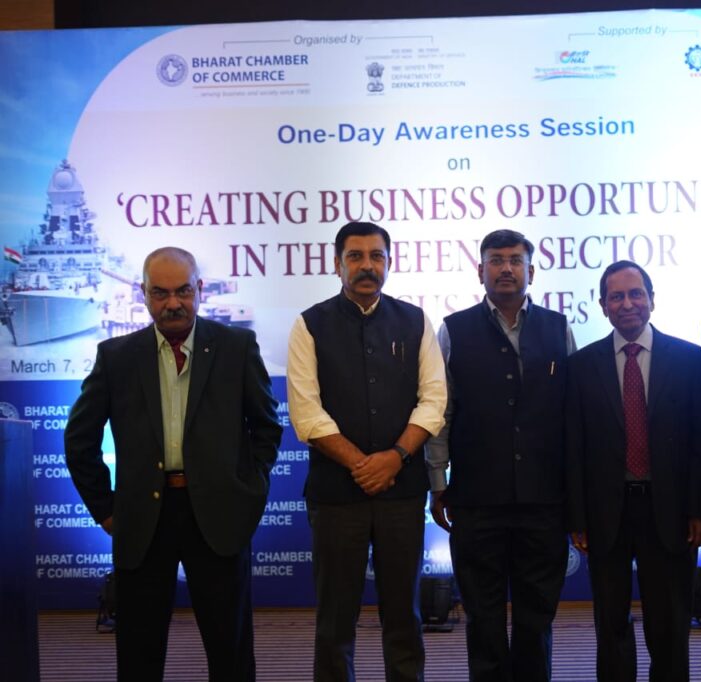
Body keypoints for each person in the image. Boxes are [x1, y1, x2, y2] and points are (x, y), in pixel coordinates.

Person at [65, 246, 282, 681]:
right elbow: (79, 439)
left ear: (199, 289)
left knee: (230, 650)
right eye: (160, 293)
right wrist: (105, 509)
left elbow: (266, 427)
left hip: (219, 515)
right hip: (143, 518)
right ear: (143, 294)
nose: (173, 303)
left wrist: (247, 492)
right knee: (139, 652)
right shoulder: (116, 356)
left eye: (183, 291)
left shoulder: (237, 347)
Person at [286, 221, 446, 682]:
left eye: (377, 256)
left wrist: (394, 458)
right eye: (355, 256)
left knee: (404, 616)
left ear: (389, 263)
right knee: (335, 621)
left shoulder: (415, 321)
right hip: (337, 495)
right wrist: (363, 465)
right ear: (337, 264)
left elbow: (434, 400)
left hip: (401, 492)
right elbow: (306, 413)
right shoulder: (309, 324)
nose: (366, 266)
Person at [426, 229, 575, 681]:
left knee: (537, 617)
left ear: (531, 271)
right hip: (477, 499)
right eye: (496, 260)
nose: (506, 268)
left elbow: (572, 413)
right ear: (480, 270)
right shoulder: (453, 329)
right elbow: (442, 412)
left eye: (515, 260)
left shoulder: (558, 327)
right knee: (483, 616)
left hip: (544, 500)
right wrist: (438, 482)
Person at [565, 260, 701, 682]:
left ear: (652, 299)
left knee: (669, 624)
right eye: (616, 296)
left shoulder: (690, 360)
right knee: (610, 622)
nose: (627, 304)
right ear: (602, 305)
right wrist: (576, 517)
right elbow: (573, 448)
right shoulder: (581, 366)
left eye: (636, 294)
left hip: (670, 511)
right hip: (605, 513)